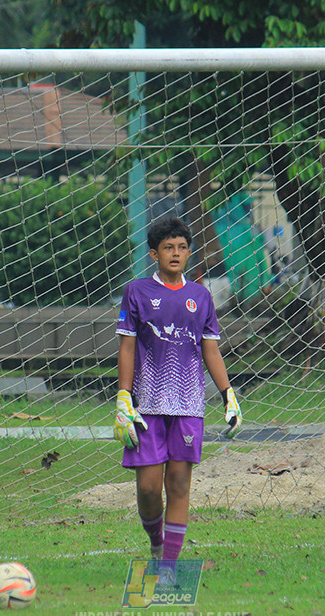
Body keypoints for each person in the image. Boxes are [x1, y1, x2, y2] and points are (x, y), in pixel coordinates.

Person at [114, 216, 242, 568]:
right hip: (147, 405)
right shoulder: (137, 291)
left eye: (182, 247)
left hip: (188, 405)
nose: (176, 253)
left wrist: (228, 393)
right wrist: (124, 396)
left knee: (180, 483)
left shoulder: (200, 296)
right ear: (154, 253)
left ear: (189, 253)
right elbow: (126, 347)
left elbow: (210, 349)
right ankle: (156, 542)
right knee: (149, 488)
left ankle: (168, 565)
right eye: (168, 247)